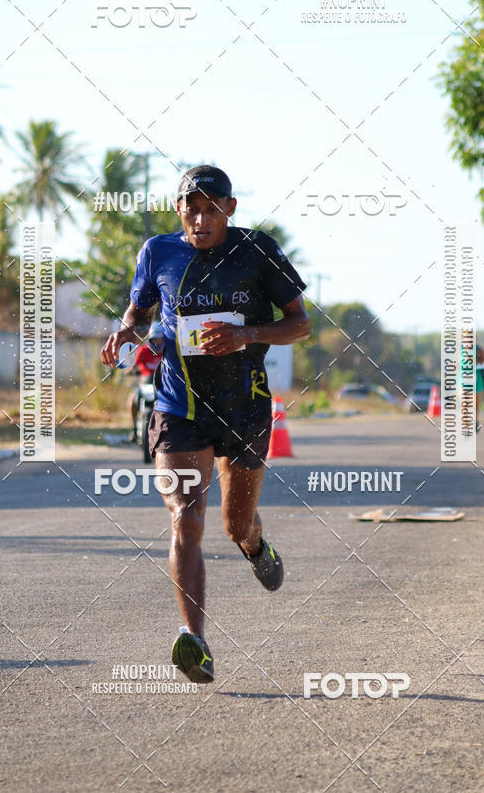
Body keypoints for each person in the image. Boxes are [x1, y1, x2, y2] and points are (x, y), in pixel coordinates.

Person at [101, 165, 310, 682]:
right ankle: (194, 639)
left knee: (235, 525)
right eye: (191, 209)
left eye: (211, 209)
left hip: (244, 408)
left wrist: (246, 335)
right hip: (180, 408)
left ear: (229, 209)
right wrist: (126, 333)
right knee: (186, 517)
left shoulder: (258, 250)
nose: (200, 219)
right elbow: (138, 312)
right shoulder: (158, 252)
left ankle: (255, 545)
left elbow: (300, 324)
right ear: (179, 210)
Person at [127, 321, 164, 443]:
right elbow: (134, 366)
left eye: (159, 339)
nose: (157, 342)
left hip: (162, 387)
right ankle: (134, 428)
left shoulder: (167, 352)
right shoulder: (143, 351)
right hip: (146, 385)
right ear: (150, 339)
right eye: (154, 339)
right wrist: (130, 371)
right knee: (132, 400)